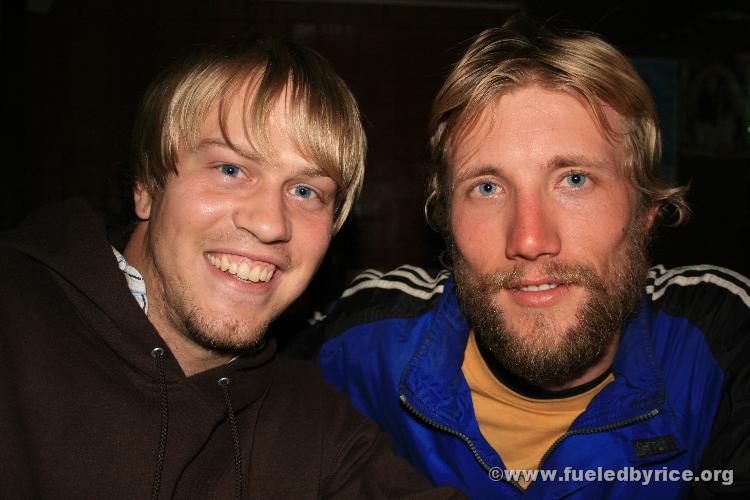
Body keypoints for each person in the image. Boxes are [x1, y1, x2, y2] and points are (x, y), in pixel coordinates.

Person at [0, 36, 464, 499]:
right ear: (145, 185)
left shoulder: (319, 428)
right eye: (230, 169)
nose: (268, 224)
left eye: (305, 191)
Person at [316, 17, 750, 498]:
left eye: (575, 180)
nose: (528, 238)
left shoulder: (723, 340)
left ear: (646, 208)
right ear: (446, 218)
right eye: (486, 187)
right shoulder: (361, 343)